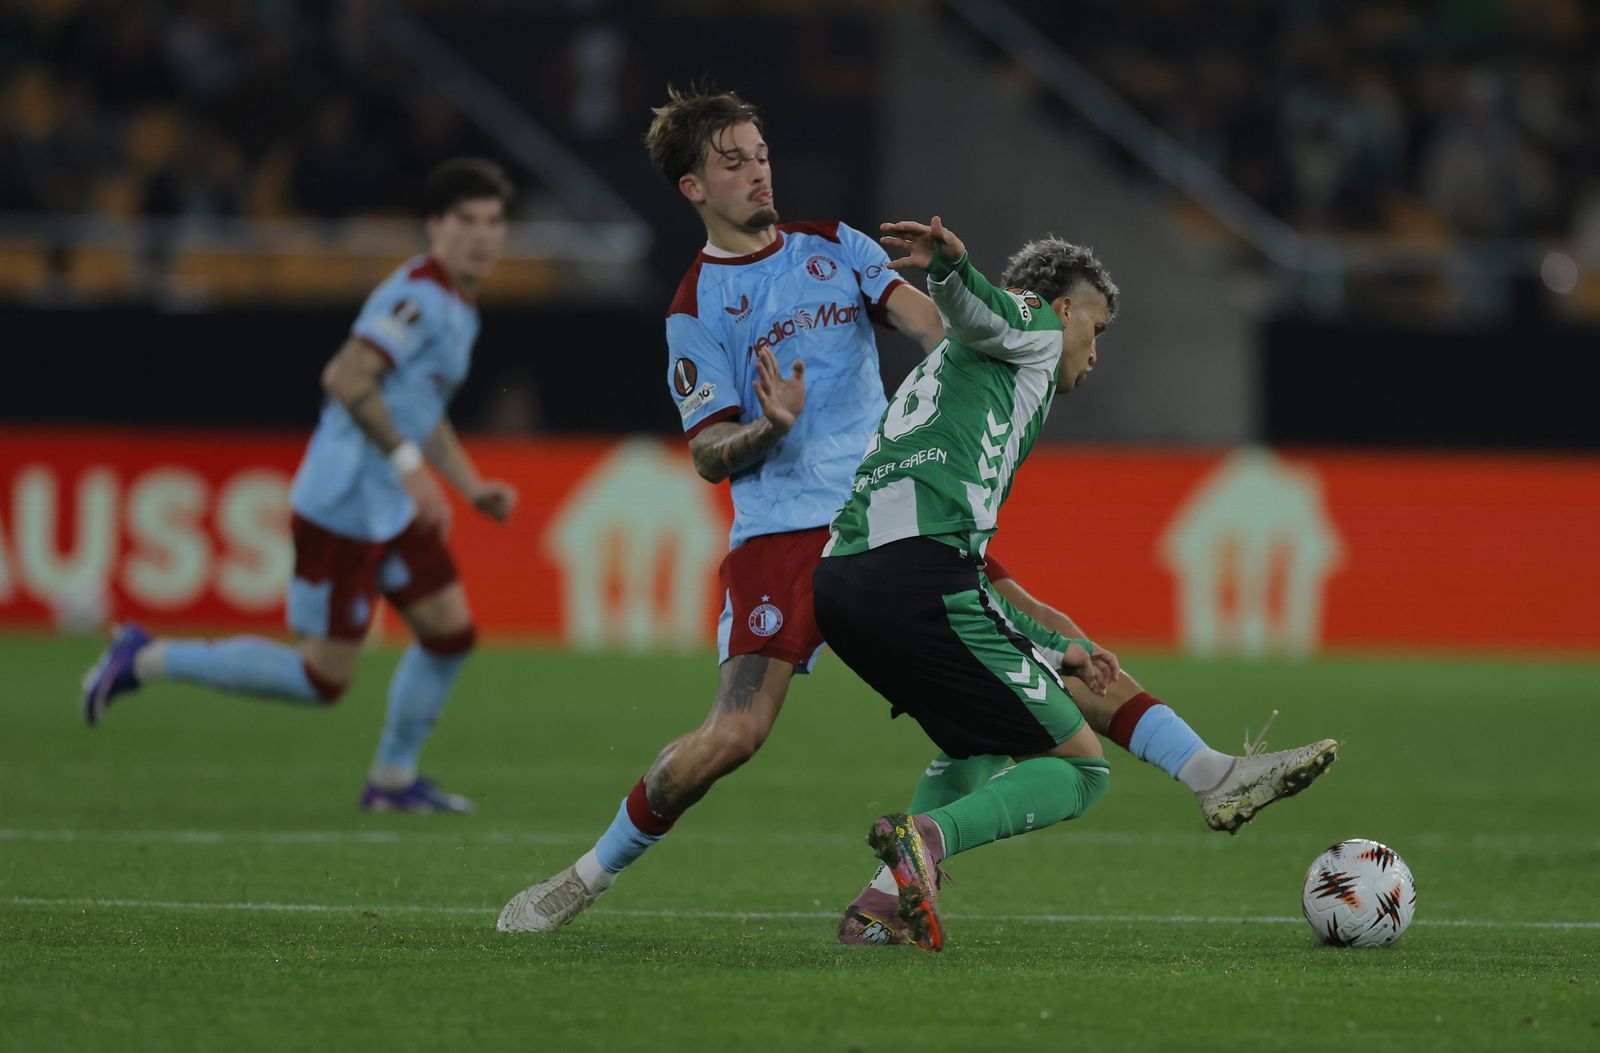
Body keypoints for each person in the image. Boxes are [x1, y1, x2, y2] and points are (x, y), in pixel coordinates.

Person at [496, 89, 1332, 936]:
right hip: (784, 536)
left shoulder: (834, 249)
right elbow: (709, 453)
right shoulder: (694, 310)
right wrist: (768, 426)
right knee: (734, 734)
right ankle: (582, 877)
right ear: (693, 188)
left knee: (1045, 638)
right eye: (733, 161)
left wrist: (989, 366)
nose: (757, 171)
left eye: (760, 152)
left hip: (887, 513)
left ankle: (897, 897)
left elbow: (942, 333)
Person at [813, 216, 1335, 951]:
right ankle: (926, 839)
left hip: (846, 582)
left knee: (983, 739)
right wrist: (953, 270)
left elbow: (992, 581)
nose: (1095, 350)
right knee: (1081, 768)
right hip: (919, 574)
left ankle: (877, 908)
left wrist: (1058, 647)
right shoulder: (1030, 329)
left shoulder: (961, 377)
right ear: (1064, 311)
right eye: (1097, 326)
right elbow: (984, 304)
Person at [80, 158, 520, 814]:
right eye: (467, 220)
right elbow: (345, 377)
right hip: (342, 504)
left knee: (449, 632)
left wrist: (466, 483)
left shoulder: (460, 303)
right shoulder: (418, 296)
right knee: (320, 677)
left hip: (390, 504)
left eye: (493, 221)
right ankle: (146, 657)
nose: (482, 235)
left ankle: (393, 783)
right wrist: (408, 467)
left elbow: (419, 410)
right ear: (435, 226)